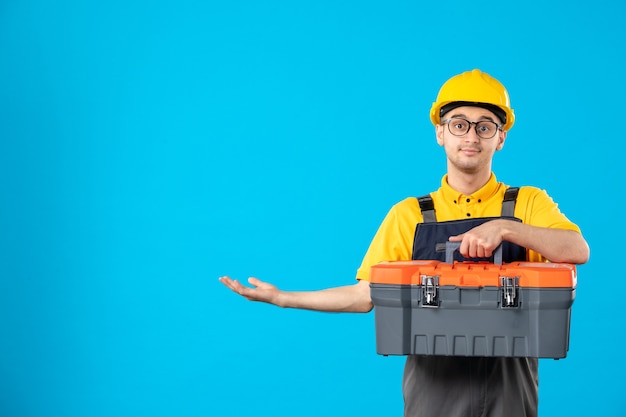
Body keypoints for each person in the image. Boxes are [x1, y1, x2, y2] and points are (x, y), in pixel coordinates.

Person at [219, 69, 590, 417]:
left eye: (485, 126)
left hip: (511, 386)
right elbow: (365, 296)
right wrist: (283, 298)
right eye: (459, 125)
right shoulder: (410, 214)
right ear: (440, 133)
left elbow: (577, 250)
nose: (471, 137)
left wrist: (506, 229)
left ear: (501, 137)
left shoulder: (528, 203)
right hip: (432, 387)